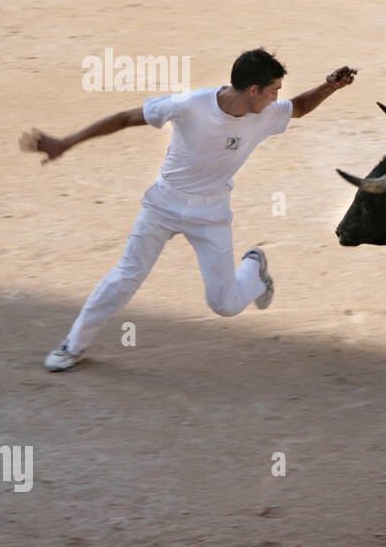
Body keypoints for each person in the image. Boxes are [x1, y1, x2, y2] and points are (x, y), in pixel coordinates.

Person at [20, 48, 356, 371]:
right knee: (125, 276)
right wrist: (65, 143)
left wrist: (330, 86)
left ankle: (253, 268)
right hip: (163, 204)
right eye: (272, 91)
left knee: (224, 304)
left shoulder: (264, 113)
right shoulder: (189, 105)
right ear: (253, 90)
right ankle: (73, 345)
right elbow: (124, 118)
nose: (276, 99)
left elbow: (298, 107)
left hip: (211, 215)